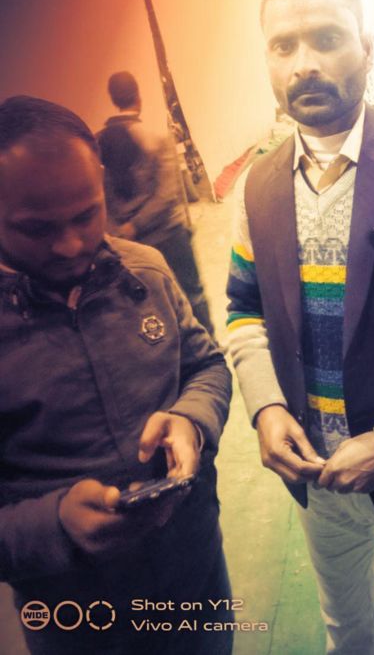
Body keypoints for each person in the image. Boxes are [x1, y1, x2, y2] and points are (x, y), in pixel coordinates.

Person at [226, 0, 374, 654]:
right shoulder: (257, 187)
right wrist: (267, 407)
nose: (304, 63)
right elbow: (243, 309)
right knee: (348, 630)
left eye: (327, 38)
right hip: (317, 476)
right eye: (283, 46)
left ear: (366, 48)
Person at [0, 96, 233, 654]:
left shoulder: (147, 272)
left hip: (197, 577)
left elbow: (206, 366)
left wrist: (190, 420)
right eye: (36, 228)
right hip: (76, 620)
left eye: (87, 214)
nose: (70, 244)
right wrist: (55, 525)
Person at [97, 71, 215, 335]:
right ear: (138, 97)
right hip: (168, 234)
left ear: (113, 99)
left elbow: (102, 194)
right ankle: (210, 345)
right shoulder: (157, 137)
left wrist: (120, 230)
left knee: (150, 304)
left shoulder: (98, 141)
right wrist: (136, 225)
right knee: (192, 293)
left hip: (134, 245)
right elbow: (167, 195)